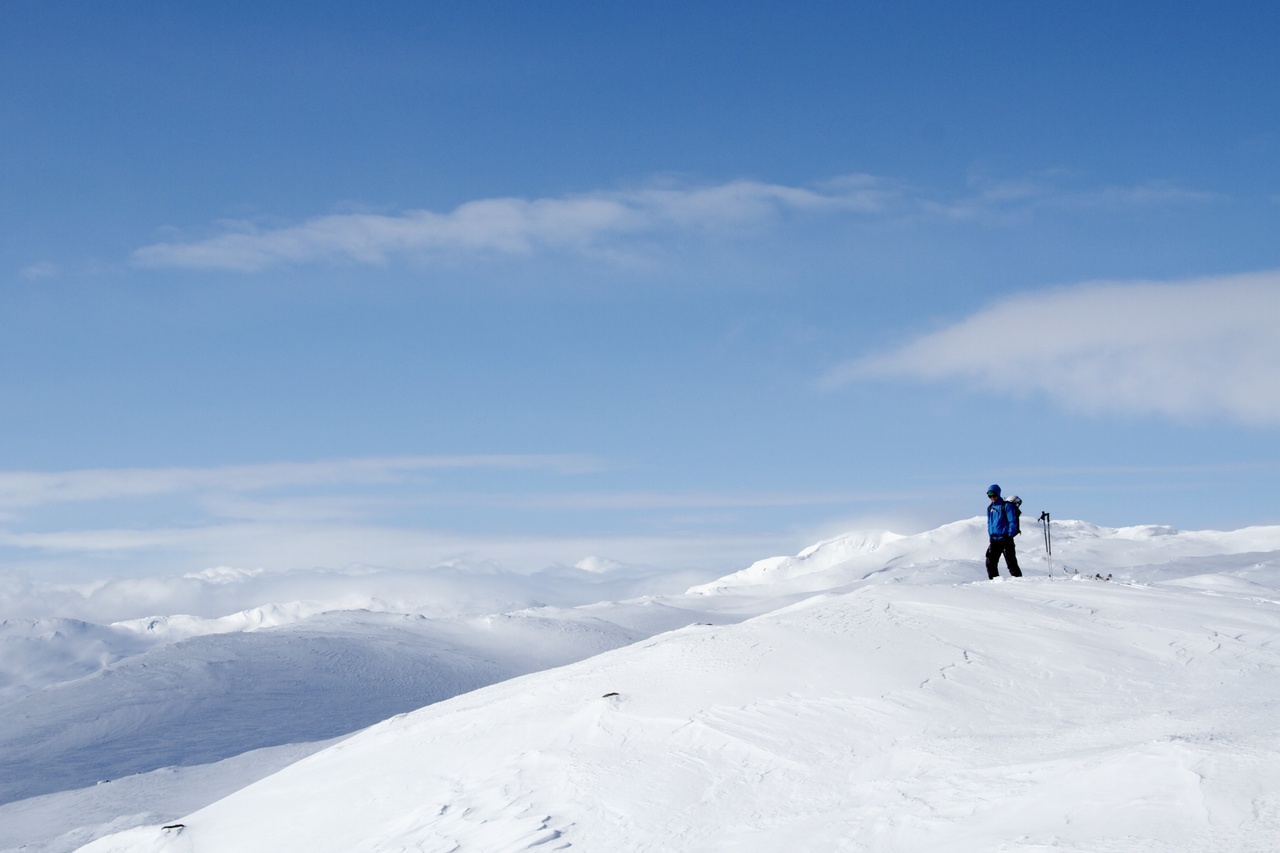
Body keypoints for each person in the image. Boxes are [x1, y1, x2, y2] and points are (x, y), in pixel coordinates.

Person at [985, 484, 1022, 579]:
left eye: (994, 495)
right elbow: (989, 523)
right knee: (990, 563)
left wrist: (1009, 536)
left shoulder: (1006, 506)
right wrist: (991, 536)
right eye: (990, 496)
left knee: (1011, 563)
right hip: (994, 539)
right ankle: (995, 582)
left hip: (1006, 538)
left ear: (998, 494)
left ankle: (1019, 582)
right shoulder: (990, 508)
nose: (992, 497)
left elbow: (1012, 521)